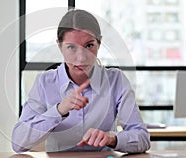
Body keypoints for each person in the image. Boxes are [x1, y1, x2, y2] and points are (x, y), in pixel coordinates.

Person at [12, 9, 150, 153]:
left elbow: (142, 138)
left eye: (89, 45)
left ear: (99, 43)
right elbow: (18, 143)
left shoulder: (116, 81)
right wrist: (59, 110)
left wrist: (113, 138)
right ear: (59, 45)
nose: (81, 58)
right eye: (71, 47)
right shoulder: (45, 82)